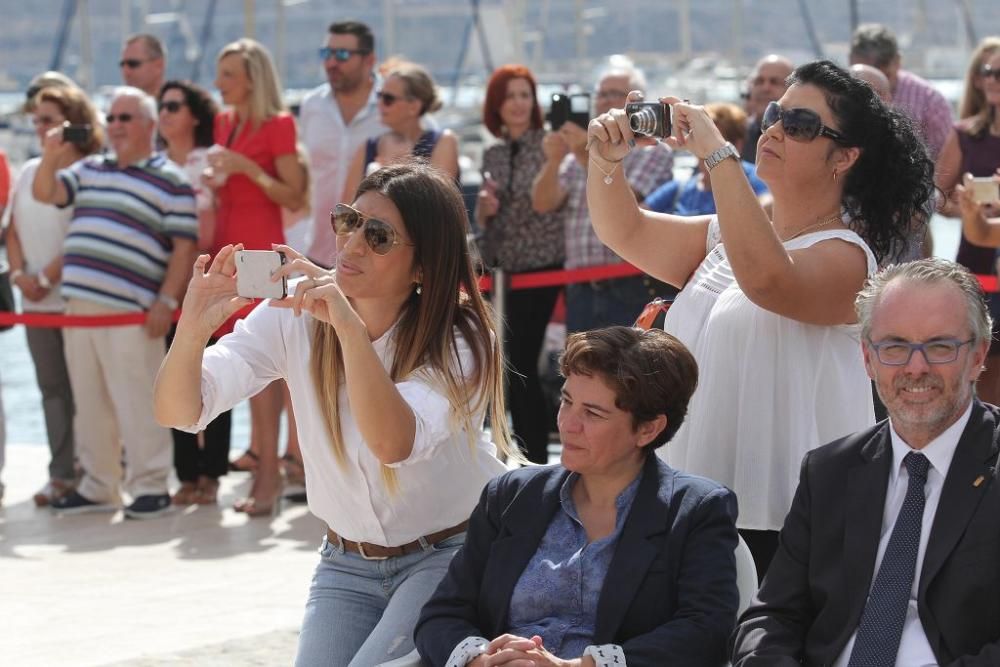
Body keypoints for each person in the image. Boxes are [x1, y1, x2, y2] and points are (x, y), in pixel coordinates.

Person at [153, 162, 517, 665]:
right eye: (349, 221)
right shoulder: (292, 319)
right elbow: (179, 410)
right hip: (345, 564)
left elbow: (394, 444)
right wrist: (193, 328)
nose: (353, 244)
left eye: (380, 235)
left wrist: (347, 325)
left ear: (424, 267)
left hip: (452, 554)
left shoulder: (463, 340)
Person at [585, 60, 935, 577]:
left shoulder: (848, 256)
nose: (774, 130)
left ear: (844, 156)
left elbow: (771, 280)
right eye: (775, 115)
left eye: (799, 125)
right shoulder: (728, 236)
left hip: (789, 520)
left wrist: (717, 154)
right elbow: (624, 231)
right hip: (695, 499)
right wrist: (606, 161)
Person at [415, 326, 739, 666]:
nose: (568, 424)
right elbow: (443, 614)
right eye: (567, 401)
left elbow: (706, 631)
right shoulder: (511, 495)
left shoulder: (696, 509)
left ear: (648, 429)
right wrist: (482, 660)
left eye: (593, 413)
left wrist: (578, 666)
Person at [732, 258, 1000, 666]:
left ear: (979, 355)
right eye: (894, 346)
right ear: (868, 358)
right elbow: (772, 615)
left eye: (940, 346)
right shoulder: (828, 472)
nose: (916, 367)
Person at [31, 86, 198, 518]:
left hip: (132, 310)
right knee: (90, 401)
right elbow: (45, 193)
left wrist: (166, 299)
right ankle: (98, 485)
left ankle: (151, 484)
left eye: (126, 117)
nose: (117, 125)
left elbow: (184, 247)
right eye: (113, 117)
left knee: (138, 397)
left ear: (148, 125)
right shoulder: (88, 167)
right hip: (79, 309)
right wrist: (51, 155)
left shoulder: (172, 179)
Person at [206, 38, 307, 515]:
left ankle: (270, 476)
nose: (219, 82)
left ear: (251, 78)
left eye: (227, 74)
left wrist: (247, 168)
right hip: (230, 247)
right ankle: (267, 469)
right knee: (247, 360)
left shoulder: (278, 124)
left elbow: (292, 194)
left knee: (267, 366)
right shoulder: (225, 122)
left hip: (263, 253)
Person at [6, 85, 103, 506]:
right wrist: (19, 274)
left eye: (48, 119)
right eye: (36, 120)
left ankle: (93, 470)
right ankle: (61, 472)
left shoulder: (90, 171)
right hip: (35, 303)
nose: (39, 127)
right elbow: (12, 230)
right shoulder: (29, 171)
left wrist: (46, 276)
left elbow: (84, 236)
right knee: (52, 390)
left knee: (87, 389)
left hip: (76, 300)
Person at [532, 58, 674, 333]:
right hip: (581, 288)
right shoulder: (577, 156)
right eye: (602, 94)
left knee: (631, 370)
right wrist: (553, 161)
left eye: (616, 94)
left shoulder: (653, 150)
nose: (606, 101)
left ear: (636, 101)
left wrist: (586, 157)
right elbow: (543, 204)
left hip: (630, 283)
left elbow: (627, 201)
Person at [476, 64, 564, 464]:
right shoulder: (492, 152)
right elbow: (495, 216)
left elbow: (547, 202)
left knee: (521, 361)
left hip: (540, 264)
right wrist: (484, 210)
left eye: (524, 95)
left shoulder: (548, 145)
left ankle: (533, 456)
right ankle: (510, 451)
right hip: (501, 267)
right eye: (509, 96)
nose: (517, 103)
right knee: (501, 360)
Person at [155, 80, 231, 506]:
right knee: (172, 372)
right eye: (161, 107)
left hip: (207, 284)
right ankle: (186, 475)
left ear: (195, 114)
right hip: (164, 287)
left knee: (215, 371)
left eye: (173, 106)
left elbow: (208, 230)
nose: (164, 114)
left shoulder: (209, 161)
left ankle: (213, 475)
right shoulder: (153, 163)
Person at [934, 38, 1000, 406]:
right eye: (986, 72)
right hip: (978, 268)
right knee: (983, 366)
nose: (992, 80)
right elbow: (937, 197)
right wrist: (970, 210)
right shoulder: (964, 134)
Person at [301, 20, 386, 267]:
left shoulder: (391, 104)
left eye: (342, 54)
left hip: (371, 254)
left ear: (369, 60)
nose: (331, 63)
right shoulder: (311, 105)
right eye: (326, 53)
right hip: (315, 249)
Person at [341, 59, 458, 206]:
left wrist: (392, 174)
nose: (379, 103)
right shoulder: (368, 146)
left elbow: (438, 206)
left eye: (388, 99)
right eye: (379, 95)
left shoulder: (443, 142)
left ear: (414, 107)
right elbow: (347, 210)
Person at [645, 102, 770, 216]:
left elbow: (769, 210)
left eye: (713, 141)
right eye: (699, 136)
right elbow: (636, 222)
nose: (704, 145)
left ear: (738, 144)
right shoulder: (679, 188)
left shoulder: (757, 178)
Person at [849, 23, 953, 160]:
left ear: (898, 62)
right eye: (864, 79)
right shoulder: (836, 98)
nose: (874, 88)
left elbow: (945, 163)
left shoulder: (931, 103)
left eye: (883, 75)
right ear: (851, 61)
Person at [741, 55, 795, 163]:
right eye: (759, 81)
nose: (765, 88)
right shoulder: (734, 135)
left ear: (792, 90)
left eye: (774, 82)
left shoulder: (802, 140)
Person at [120, 33, 166, 98]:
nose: (126, 72)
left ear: (158, 65)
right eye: (122, 64)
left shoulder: (175, 104)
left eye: (133, 64)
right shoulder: (118, 105)